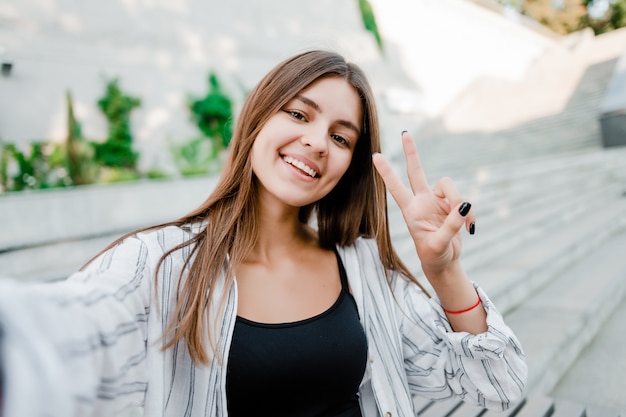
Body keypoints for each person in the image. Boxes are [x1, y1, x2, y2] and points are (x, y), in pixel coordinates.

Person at [0, 50, 527, 417]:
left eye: (341, 138)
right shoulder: (159, 262)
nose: (318, 142)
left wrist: (445, 272)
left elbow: (497, 384)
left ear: (350, 164)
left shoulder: (364, 268)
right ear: (257, 117)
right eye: (299, 113)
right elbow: (61, 336)